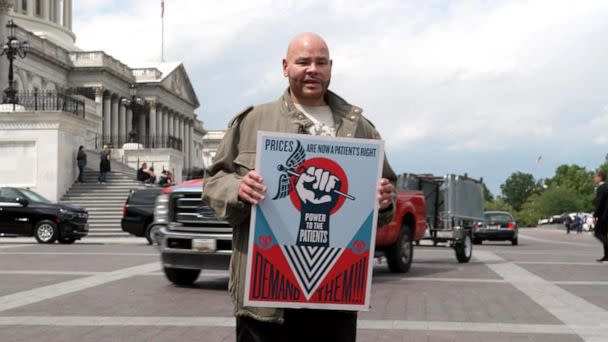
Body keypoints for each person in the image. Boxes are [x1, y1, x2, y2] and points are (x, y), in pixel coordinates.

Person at [202, 32, 396, 342]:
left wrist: (385, 201)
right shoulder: (253, 121)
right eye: (303, 61)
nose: (312, 69)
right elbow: (213, 183)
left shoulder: (360, 127)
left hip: (336, 289)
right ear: (285, 66)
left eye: (321, 62)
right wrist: (238, 189)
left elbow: (385, 200)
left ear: (331, 67)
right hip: (268, 294)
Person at [593, 171, 608, 262]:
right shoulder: (606, 187)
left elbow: (599, 203)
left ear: (600, 177)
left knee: (598, 233)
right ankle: (606, 255)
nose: (594, 179)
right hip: (606, 215)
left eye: (595, 177)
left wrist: (595, 216)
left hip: (603, 216)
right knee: (604, 234)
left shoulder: (601, 188)